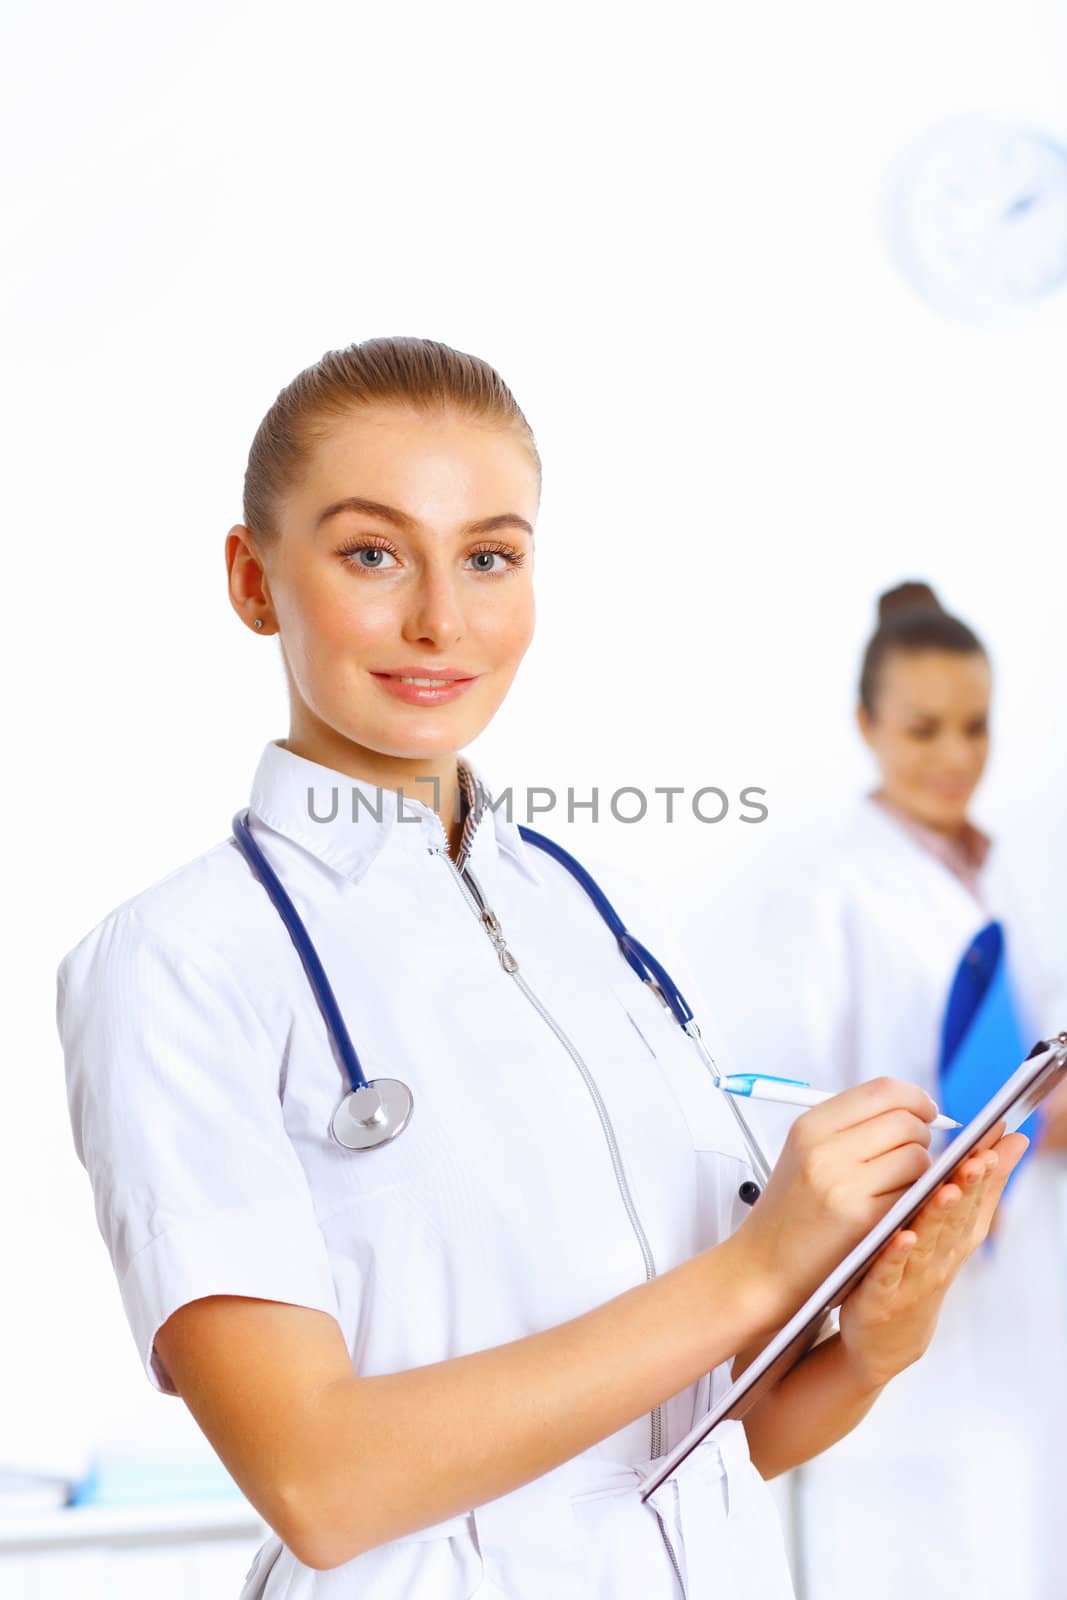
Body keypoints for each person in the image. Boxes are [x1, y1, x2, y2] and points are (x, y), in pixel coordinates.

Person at [54, 346, 1026, 1600]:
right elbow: (319, 1485)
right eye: (370, 553)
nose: (439, 622)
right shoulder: (175, 964)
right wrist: (757, 1267)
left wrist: (865, 1350)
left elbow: (685, 1461)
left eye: (489, 556)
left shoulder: (575, 913)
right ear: (254, 580)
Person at [718, 581, 1067, 1600]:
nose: (952, 755)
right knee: (927, 1554)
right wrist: (998, 1121)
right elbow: (789, 1114)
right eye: (921, 727)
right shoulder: (828, 891)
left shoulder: (1007, 875)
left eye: (973, 726)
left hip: (1022, 1296)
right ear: (865, 724)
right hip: (907, 1304)